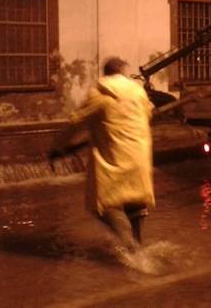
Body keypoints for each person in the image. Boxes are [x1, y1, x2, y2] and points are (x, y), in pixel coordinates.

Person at [51, 57, 155, 252]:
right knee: (136, 202)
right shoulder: (138, 92)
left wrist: (58, 146)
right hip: (140, 155)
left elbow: (75, 123)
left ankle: (128, 243)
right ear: (123, 72)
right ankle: (140, 244)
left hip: (114, 157)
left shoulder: (99, 94)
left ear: (106, 73)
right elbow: (148, 113)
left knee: (100, 205)